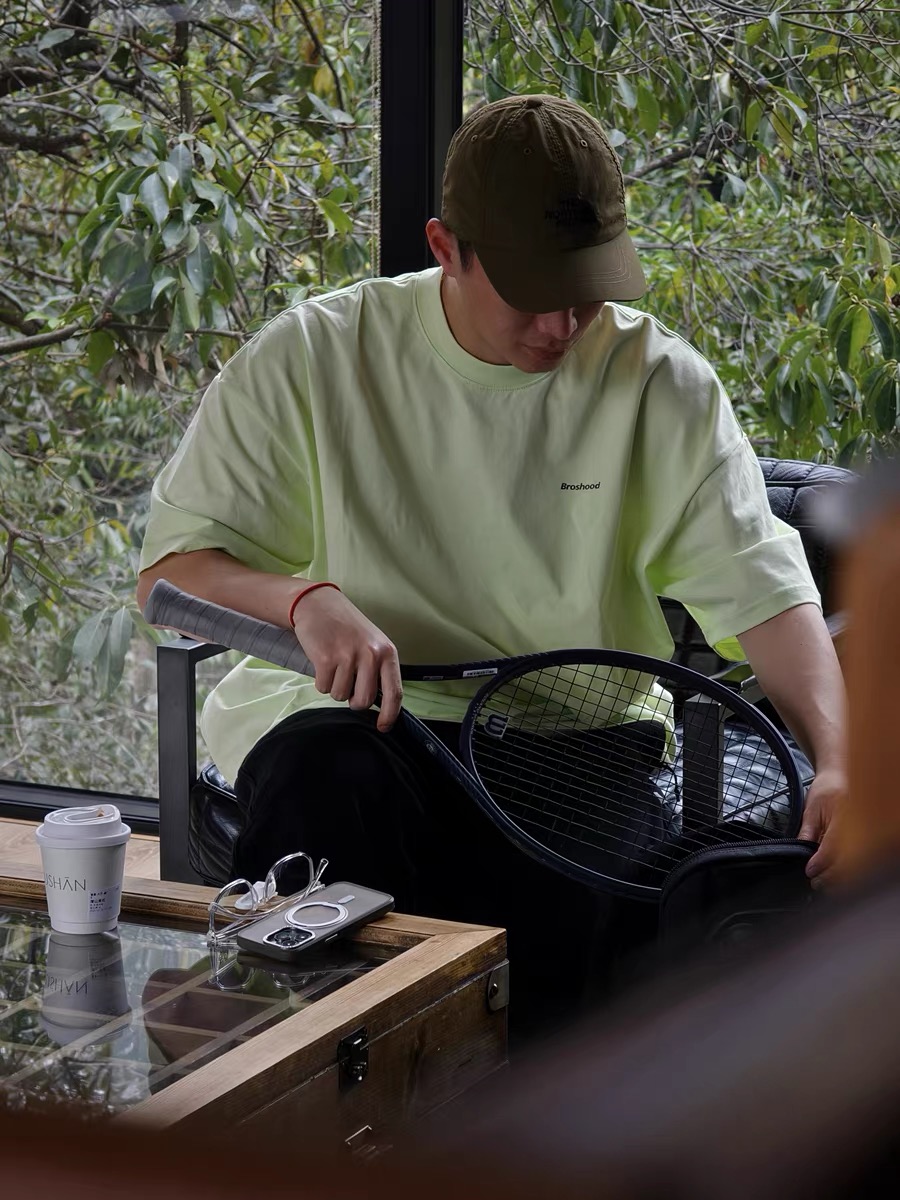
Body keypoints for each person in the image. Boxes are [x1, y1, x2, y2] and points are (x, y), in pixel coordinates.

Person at [137, 95, 846, 1039]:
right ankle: (283, 1096)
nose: (562, 323)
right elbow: (169, 576)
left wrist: (844, 761)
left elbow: (765, 592)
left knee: (574, 951)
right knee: (325, 799)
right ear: (445, 247)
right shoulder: (315, 353)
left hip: (579, 739)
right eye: (530, 289)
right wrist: (301, 599)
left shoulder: (662, 385)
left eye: (587, 289)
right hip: (361, 724)